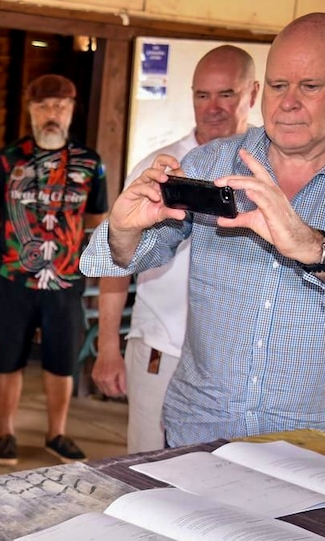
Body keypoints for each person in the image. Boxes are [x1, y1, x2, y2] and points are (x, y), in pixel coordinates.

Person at [81, 12, 325, 448]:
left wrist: (314, 248)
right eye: (278, 85)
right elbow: (133, 254)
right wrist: (121, 230)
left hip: (309, 441)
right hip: (200, 429)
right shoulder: (208, 165)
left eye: (310, 86)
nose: (288, 102)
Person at [92, 45, 259, 454]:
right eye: (202, 95)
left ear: (253, 94)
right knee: (148, 468)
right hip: (160, 349)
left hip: (234, 364)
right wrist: (108, 347)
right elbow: (119, 256)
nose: (213, 107)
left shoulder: (265, 170)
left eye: (227, 94)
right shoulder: (159, 167)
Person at [0, 74, 107, 465]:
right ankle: (6, 433)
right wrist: (12, 239)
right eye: (44, 106)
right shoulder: (5, 160)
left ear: (71, 112)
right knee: (8, 360)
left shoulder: (89, 163)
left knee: (61, 361)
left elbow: (97, 217)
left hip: (65, 279)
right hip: (13, 278)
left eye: (60, 107)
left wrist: (65, 245)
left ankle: (57, 434)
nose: (52, 114)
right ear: (31, 111)